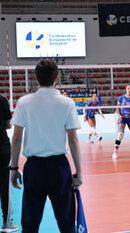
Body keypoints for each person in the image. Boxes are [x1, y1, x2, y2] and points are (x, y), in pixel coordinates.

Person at [9, 60, 82, 233]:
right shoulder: (67, 103)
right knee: (66, 224)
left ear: (36, 77)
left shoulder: (24, 102)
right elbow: (73, 140)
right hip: (59, 169)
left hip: (34, 169)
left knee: (30, 223)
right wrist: (78, 172)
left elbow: (17, 137)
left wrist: (13, 168)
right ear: (56, 78)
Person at [0, 94, 20, 232]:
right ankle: (7, 223)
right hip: (1, 147)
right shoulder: (2, 99)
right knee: (4, 185)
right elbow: (8, 124)